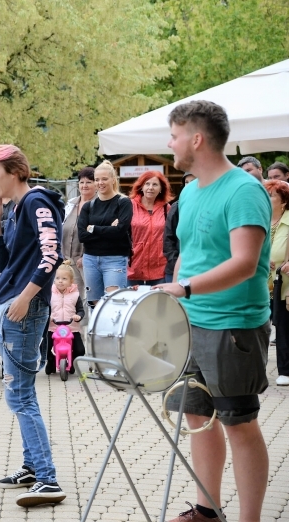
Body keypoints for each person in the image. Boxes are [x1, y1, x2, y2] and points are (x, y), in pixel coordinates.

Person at [157, 100, 271, 522]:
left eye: (174, 135)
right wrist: (179, 302)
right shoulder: (189, 191)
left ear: (197, 138)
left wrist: (184, 288)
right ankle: (207, 511)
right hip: (192, 323)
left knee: (238, 424)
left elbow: (244, 262)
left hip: (233, 327)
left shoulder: (244, 190)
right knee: (198, 417)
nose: (170, 143)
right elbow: (189, 253)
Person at [0, 144, 66, 507]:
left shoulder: (37, 202)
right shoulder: (17, 207)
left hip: (23, 309)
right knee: (17, 394)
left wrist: (25, 297)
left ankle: (48, 479)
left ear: (14, 171)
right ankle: (33, 467)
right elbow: (4, 262)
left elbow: (53, 256)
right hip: (9, 306)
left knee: (21, 396)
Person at [77, 160, 133, 306]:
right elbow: (82, 236)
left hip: (115, 259)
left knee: (114, 303)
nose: (100, 183)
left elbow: (120, 232)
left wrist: (93, 228)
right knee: (94, 304)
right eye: (97, 180)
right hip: (90, 259)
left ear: (113, 180)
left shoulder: (123, 202)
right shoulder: (89, 206)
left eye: (104, 179)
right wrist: (110, 228)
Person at [127, 171, 172, 286]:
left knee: (158, 303)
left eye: (155, 185)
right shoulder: (129, 205)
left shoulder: (167, 209)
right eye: (147, 184)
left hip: (160, 268)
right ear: (141, 187)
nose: (150, 188)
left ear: (161, 188)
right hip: (133, 266)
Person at [266, 180, 289, 387]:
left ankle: (285, 370)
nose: (268, 197)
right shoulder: (260, 219)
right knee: (259, 327)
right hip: (259, 284)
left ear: (283, 202)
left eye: (272, 195)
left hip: (284, 284)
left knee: (282, 326)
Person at [61, 167, 96, 299]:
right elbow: (62, 227)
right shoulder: (71, 204)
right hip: (68, 260)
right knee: (73, 299)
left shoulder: (99, 205)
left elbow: (98, 234)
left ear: (96, 185)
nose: (84, 185)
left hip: (88, 260)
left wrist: (86, 255)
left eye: (89, 182)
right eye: (81, 182)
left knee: (91, 298)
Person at [45, 262, 84, 375]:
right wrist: (48, 316)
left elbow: (81, 310)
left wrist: (79, 316)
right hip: (53, 327)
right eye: (57, 278)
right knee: (45, 348)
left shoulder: (75, 295)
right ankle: (51, 360)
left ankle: (70, 360)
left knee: (80, 350)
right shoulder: (50, 293)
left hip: (71, 328)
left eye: (64, 278)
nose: (60, 281)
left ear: (71, 281)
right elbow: (45, 308)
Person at [163, 172, 196, 284]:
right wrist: (175, 262)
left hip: (201, 269)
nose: (189, 185)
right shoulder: (177, 206)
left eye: (193, 181)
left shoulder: (210, 203)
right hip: (177, 269)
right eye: (186, 182)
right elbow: (168, 238)